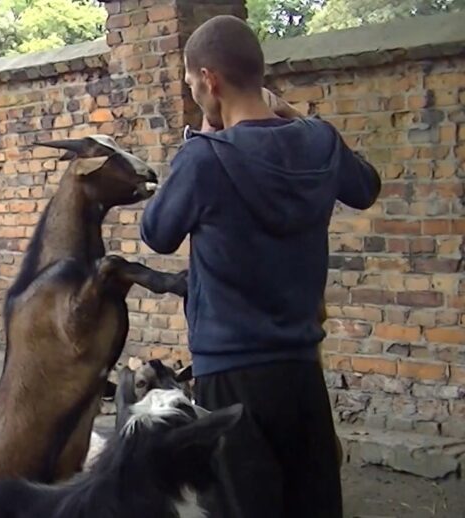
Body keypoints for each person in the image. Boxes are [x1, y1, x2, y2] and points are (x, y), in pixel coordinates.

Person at [138, 15, 381, 518]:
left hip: (230, 375)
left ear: (210, 80)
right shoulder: (319, 141)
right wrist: (294, 115)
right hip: (300, 372)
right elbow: (365, 187)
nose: (194, 93)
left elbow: (156, 233)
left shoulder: (203, 159)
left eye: (191, 83)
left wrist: (200, 139)